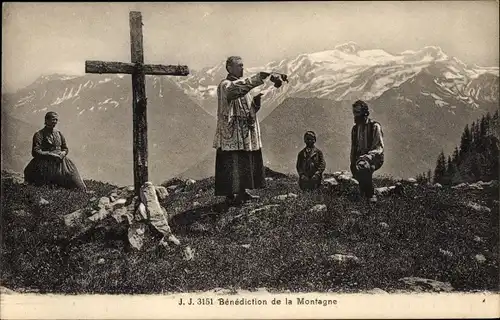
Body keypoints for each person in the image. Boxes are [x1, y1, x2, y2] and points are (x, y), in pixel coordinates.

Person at [213, 56, 271, 204]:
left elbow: (247, 109)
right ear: (229, 68)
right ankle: (230, 196)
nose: (242, 69)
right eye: (239, 66)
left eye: (242, 66)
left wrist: (255, 104)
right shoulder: (225, 85)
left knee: (243, 162)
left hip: (243, 132)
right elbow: (235, 91)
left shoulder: (241, 86)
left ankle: (243, 193)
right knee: (231, 162)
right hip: (232, 133)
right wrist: (256, 78)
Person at [24, 111, 87, 191]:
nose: (55, 122)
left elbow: (65, 148)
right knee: (45, 185)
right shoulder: (39, 134)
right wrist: (51, 155)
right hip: (44, 162)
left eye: (56, 120)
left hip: (61, 162)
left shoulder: (59, 134)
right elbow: (35, 151)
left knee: (78, 185)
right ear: (46, 120)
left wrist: (64, 153)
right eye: (53, 119)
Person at [349, 100, 384, 203]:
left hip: (374, 158)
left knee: (364, 168)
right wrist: (352, 162)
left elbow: (379, 148)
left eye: (357, 112)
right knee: (358, 174)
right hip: (360, 158)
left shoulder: (374, 126)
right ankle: (380, 192)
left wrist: (366, 158)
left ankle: (371, 196)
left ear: (365, 113)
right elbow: (353, 148)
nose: (355, 115)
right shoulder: (355, 129)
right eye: (354, 112)